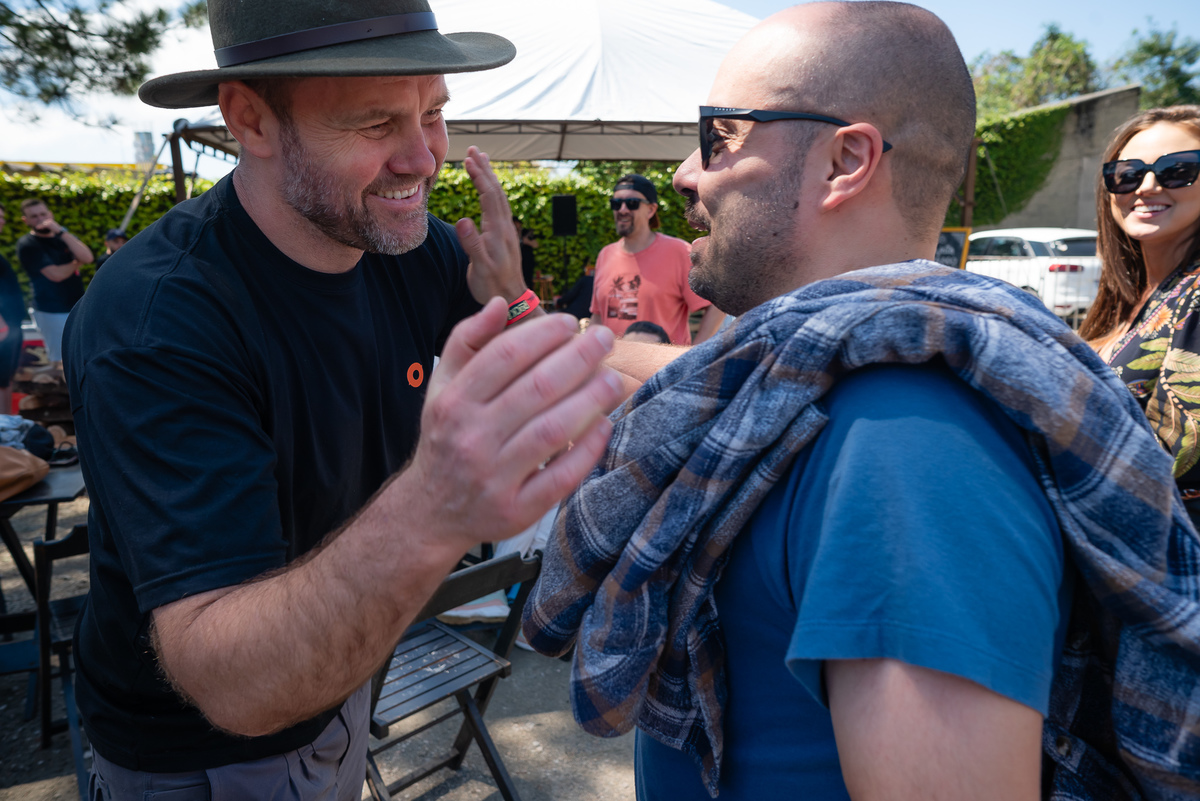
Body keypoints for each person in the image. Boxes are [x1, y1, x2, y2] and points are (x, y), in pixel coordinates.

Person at [524, 3, 1200, 800]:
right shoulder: (808, 396)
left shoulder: (904, 448)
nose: (684, 172)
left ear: (846, 161)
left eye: (721, 135)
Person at [62, 0, 623, 798]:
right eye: (373, 124)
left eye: (433, 113)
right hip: (196, 752)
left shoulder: (407, 243)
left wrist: (517, 302)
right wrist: (435, 504)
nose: (424, 160)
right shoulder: (159, 318)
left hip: (345, 679)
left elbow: (518, 366)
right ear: (250, 119)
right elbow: (232, 683)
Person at [1079, 106, 1200, 524]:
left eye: (1178, 170)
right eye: (1127, 174)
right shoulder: (1127, 299)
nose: (1146, 186)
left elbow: (1179, 461)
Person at [589, 174, 724, 345]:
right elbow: (598, 317)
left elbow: (716, 306)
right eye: (616, 204)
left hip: (662, 368)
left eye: (632, 203)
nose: (622, 209)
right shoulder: (605, 255)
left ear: (651, 210)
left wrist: (695, 353)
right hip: (613, 368)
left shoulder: (679, 252)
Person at [15, 197, 90, 363]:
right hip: (50, 310)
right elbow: (56, 275)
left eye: (43, 214)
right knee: (62, 360)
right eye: (34, 216)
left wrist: (62, 232)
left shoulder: (63, 236)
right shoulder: (27, 244)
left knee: (81, 354)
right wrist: (77, 263)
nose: (41, 219)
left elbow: (88, 257)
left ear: (51, 214)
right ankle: (63, 388)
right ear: (25, 221)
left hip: (76, 306)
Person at [0, 207, 25, 415]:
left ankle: (6, 426)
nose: (1, 221)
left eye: (2, 217)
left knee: (5, 378)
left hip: (10, 324)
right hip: (3, 326)